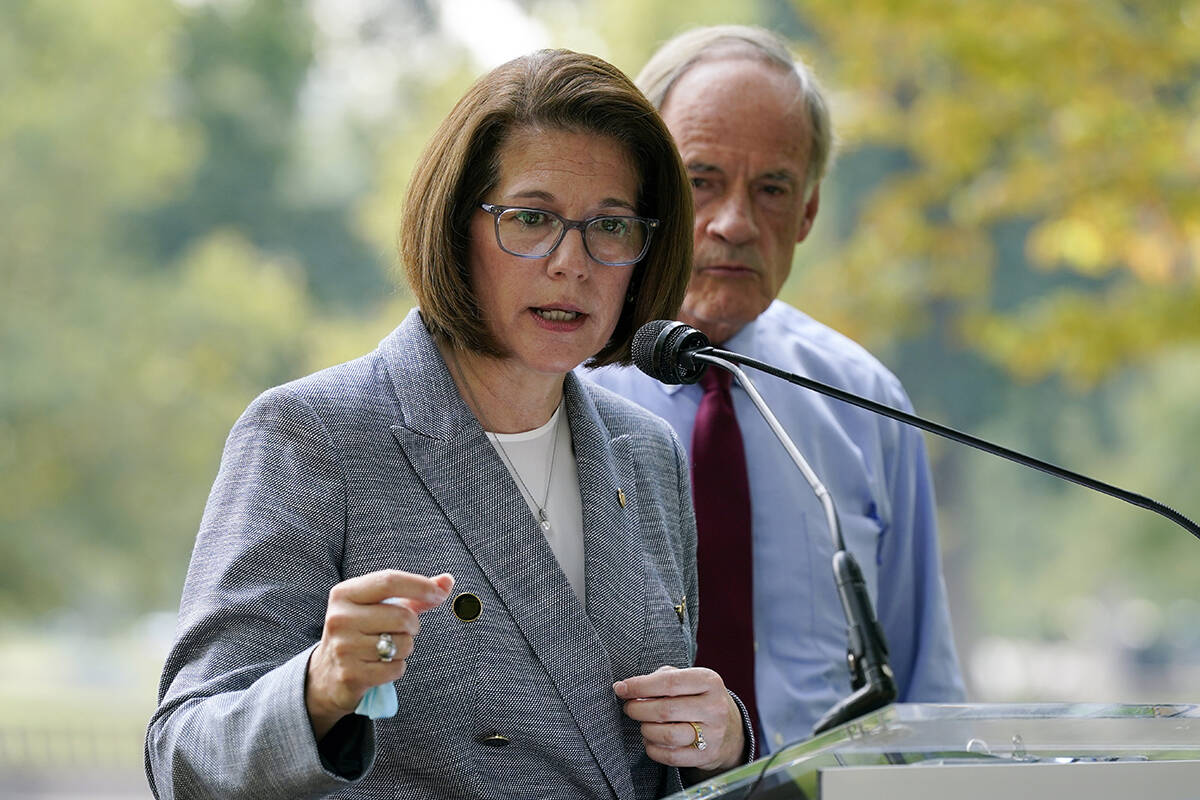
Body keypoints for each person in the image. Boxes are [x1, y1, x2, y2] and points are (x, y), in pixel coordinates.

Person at [145, 49, 754, 800]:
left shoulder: (646, 452)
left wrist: (723, 740)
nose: (573, 262)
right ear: (456, 226)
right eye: (531, 219)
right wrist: (317, 689)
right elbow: (182, 757)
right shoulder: (312, 435)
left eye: (611, 226)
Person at [585, 25, 965, 751]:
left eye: (772, 190)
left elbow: (926, 693)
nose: (734, 222)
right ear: (643, 194)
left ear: (810, 213)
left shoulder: (865, 403)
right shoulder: (556, 388)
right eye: (701, 182)